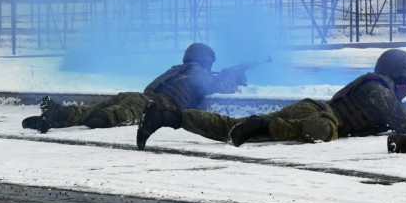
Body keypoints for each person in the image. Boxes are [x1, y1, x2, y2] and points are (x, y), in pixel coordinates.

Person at [136, 48, 406, 150]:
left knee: (231, 128)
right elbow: (405, 127)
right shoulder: (378, 89)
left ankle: (170, 117)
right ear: (399, 74)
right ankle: (263, 127)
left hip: (313, 108)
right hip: (320, 115)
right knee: (321, 132)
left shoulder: (380, 87)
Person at [22, 43, 249, 135]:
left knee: (102, 106)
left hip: (141, 95)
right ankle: (62, 116)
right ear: (205, 61)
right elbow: (218, 87)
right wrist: (234, 78)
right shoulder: (199, 72)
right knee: (110, 116)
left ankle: (59, 115)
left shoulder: (177, 69)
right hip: (156, 104)